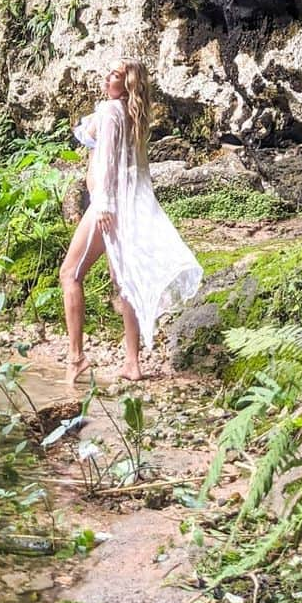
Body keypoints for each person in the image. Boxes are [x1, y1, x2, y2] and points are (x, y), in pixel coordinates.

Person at [60, 60, 203, 386]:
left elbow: (108, 160)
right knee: (123, 281)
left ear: (128, 84)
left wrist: (104, 205)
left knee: (70, 273)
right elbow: (121, 157)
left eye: (116, 75)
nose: (107, 77)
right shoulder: (130, 113)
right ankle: (132, 362)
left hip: (106, 207)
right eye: (108, 71)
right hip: (128, 206)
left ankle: (75, 357)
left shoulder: (111, 111)